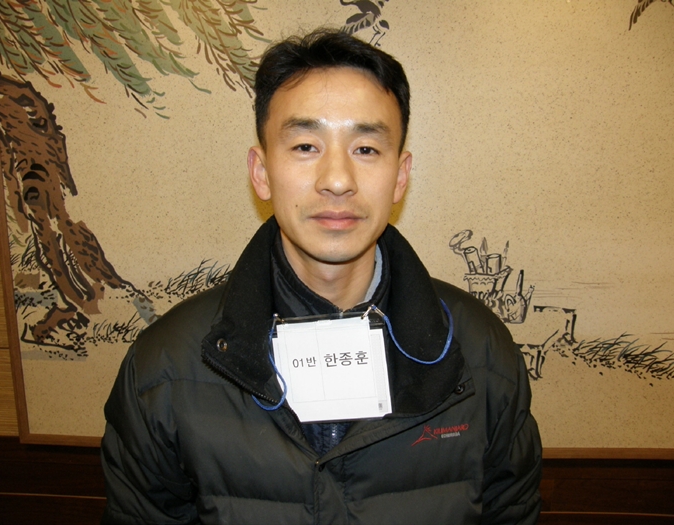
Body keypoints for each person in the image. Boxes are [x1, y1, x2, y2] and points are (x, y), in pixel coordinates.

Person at [101, 28, 542, 524]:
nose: (337, 180)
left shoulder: (480, 352)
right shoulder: (165, 367)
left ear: (400, 176)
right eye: (306, 145)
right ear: (261, 171)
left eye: (366, 149)